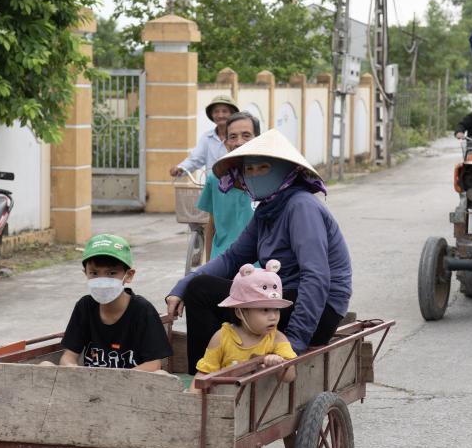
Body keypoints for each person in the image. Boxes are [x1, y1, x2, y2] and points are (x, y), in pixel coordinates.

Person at [165, 129, 351, 373]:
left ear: (285, 171)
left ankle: (204, 379)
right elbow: (232, 258)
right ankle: (212, 370)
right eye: (249, 170)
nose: (253, 176)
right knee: (198, 287)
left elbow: (316, 277)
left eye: (262, 168)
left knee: (202, 291)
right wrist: (183, 284)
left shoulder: (301, 206)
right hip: (278, 299)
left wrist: (293, 343)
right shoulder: (267, 210)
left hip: (320, 310)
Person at [44, 233, 172, 371]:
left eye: (111, 273)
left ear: (128, 275)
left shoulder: (142, 310)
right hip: (90, 384)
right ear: (85, 273)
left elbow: (154, 364)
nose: (102, 280)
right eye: (94, 273)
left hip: (132, 386)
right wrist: (71, 367)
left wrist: (114, 382)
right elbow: (69, 356)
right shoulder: (85, 307)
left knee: (161, 375)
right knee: (45, 366)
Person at [192, 261, 297, 389]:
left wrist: (279, 365)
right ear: (240, 312)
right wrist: (193, 400)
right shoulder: (222, 337)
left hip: (260, 401)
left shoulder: (276, 338)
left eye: (276, 310)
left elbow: (290, 376)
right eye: (264, 310)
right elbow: (204, 372)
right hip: (224, 400)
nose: (273, 316)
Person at [199, 111, 258, 260]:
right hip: (222, 263)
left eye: (246, 135)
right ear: (226, 144)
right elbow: (211, 226)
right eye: (233, 137)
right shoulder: (215, 179)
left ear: (258, 139)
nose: (239, 142)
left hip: (259, 268)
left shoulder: (268, 180)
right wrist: (208, 268)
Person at [169, 95, 238, 177]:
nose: (220, 115)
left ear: (232, 114)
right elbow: (195, 160)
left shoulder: (239, 137)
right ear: (212, 115)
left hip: (236, 185)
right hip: (212, 186)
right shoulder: (207, 137)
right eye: (216, 112)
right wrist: (180, 168)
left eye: (224, 111)